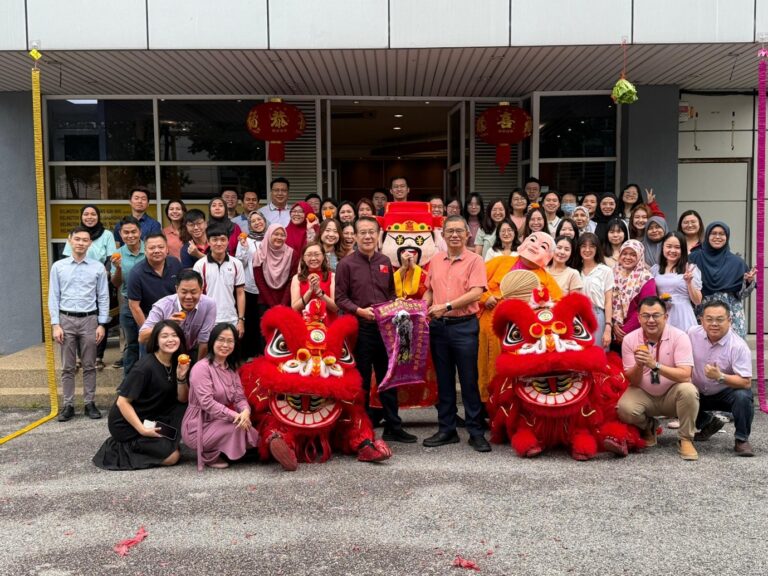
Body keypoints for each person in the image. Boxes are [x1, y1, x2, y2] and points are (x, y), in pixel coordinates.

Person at [335, 216, 417, 443]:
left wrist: (395, 309)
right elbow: (340, 298)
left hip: (385, 329)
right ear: (355, 236)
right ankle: (360, 427)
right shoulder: (346, 264)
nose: (368, 236)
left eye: (372, 232)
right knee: (360, 379)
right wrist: (360, 311)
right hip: (360, 329)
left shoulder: (384, 262)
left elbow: (391, 293)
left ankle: (393, 425)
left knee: (387, 377)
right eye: (363, 232)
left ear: (378, 235)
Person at [423, 215, 490, 452]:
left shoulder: (475, 260)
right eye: (449, 231)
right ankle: (447, 429)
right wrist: (423, 307)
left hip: (464, 325)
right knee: (444, 379)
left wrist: (447, 306)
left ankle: (475, 431)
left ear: (467, 234)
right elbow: (430, 291)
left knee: (469, 379)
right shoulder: (435, 260)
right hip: (439, 327)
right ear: (442, 233)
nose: (454, 235)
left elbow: (477, 293)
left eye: (459, 231)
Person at [478, 231, 562, 406]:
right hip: (491, 326)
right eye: (532, 240)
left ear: (549, 256)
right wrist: (486, 297)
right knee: (487, 367)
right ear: (523, 242)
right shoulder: (500, 262)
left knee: (516, 371)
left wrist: (541, 305)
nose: (535, 245)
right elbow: (474, 283)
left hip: (522, 334)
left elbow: (558, 304)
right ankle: (485, 406)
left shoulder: (545, 277)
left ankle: (513, 408)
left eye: (543, 246)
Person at [92, 321, 190, 470]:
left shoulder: (177, 363)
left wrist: (181, 377)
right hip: (127, 424)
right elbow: (122, 402)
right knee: (173, 457)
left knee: (180, 413)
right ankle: (117, 449)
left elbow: (182, 399)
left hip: (151, 417)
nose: (170, 339)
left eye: (174, 335)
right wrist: (142, 430)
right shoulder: (144, 367)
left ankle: (157, 442)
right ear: (156, 340)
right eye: (164, 336)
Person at [616, 296, 700, 460]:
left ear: (665, 317)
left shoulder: (680, 336)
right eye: (646, 316)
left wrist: (655, 365)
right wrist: (639, 365)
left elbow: (685, 374)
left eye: (656, 315)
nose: (651, 320)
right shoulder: (629, 339)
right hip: (644, 393)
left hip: (672, 394)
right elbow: (632, 381)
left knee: (689, 390)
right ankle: (649, 427)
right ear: (639, 318)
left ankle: (686, 439)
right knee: (623, 409)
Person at [50, 226, 110, 421]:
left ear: (90, 243)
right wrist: (55, 324)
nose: (81, 243)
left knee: (90, 364)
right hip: (66, 318)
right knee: (67, 366)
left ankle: (89, 403)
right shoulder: (58, 266)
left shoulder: (97, 267)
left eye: (85, 240)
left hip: (89, 320)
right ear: (69, 240)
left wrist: (102, 323)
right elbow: (53, 296)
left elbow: (103, 296)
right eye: (77, 239)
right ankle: (68, 405)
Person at [182, 323, 258, 469]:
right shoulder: (201, 368)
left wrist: (245, 412)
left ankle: (264, 449)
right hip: (197, 426)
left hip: (220, 420)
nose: (225, 344)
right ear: (212, 342)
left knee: (247, 427)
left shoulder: (231, 370)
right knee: (238, 429)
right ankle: (210, 455)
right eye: (221, 340)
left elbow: (240, 398)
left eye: (230, 341)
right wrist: (235, 416)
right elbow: (207, 403)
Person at [688, 300, 754, 457]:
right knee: (677, 390)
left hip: (725, 392)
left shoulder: (738, 346)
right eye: (709, 319)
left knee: (743, 396)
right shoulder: (692, 333)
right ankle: (706, 421)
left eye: (720, 319)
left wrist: (720, 377)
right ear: (701, 320)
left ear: (729, 321)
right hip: (697, 391)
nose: (714, 324)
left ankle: (741, 439)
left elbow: (746, 382)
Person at [62, 205, 116, 371]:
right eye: (86, 214)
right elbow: (67, 257)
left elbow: (110, 258)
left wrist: (105, 273)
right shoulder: (75, 233)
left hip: (99, 280)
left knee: (101, 319)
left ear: (98, 217)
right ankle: (80, 357)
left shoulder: (107, 234)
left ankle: (98, 356)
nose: (90, 217)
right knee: (79, 319)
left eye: (93, 214)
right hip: (78, 283)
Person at [689, 222, 757, 338]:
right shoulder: (695, 257)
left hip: (731, 313)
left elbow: (742, 295)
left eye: (722, 234)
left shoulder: (737, 262)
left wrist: (748, 282)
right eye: (713, 233)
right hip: (703, 312)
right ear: (707, 236)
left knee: (732, 350)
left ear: (727, 237)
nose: (717, 237)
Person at [140, 269, 217, 362]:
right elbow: (142, 337)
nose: (188, 297)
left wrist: (198, 368)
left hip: (193, 351)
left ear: (201, 290)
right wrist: (167, 324)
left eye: (193, 292)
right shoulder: (162, 306)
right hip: (165, 353)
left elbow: (204, 341)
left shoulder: (209, 304)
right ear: (177, 289)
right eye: (184, 292)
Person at [127, 233, 183, 346]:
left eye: (161, 247)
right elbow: (134, 306)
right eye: (152, 248)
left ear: (167, 249)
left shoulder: (175, 263)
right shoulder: (136, 273)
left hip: (175, 319)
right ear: (145, 250)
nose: (157, 250)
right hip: (151, 319)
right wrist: (147, 329)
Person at [193, 225, 246, 337]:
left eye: (223, 239)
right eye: (215, 240)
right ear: (208, 241)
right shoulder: (200, 265)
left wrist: (240, 320)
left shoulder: (237, 264)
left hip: (231, 319)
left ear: (228, 241)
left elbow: (240, 293)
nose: (219, 243)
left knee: (231, 352)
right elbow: (196, 295)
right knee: (208, 353)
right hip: (207, 319)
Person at [111, 216, 145, 378]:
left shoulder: (150, 249)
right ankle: (129, 382)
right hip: (128, 304)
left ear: (140, 232)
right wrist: (117, 269)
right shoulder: (117, 254)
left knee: (149, 343)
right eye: (126, 232)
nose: (130, 235)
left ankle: (149, 379)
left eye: (134, 232)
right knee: (131, 344)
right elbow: (116, 283)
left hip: (150, 303)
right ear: (120, 233)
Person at [651, 232, 702, 332]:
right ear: (663, 248)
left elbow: (697, 301)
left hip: (683, 315)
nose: (672, 250)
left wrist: (689, 283)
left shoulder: (691, 269)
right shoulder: (655, 269)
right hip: (661, 314)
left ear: (682, 250)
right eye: (669, 246)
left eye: (677, 247)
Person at [235, 210, 268, 360]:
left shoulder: (271, 237)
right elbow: (239, 263)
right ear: (249, 225)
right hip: (250, 287)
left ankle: (264, 353)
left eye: (259, 219)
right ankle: (249, 355)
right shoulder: (245, 240)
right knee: (251, 322)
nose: (257, 223)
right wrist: (244, 248)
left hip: (268, 287)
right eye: (253, 221)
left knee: (264, 322)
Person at [611, 240, 657, 346]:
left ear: (640, 256)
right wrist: (613, 325)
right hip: (611, 332)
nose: (628, 257)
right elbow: (606, 302)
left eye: (633, 254)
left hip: (636, 333)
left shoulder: (646, 278)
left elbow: (646, 308)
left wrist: (624, 331)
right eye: (624, 253)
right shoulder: (612, 273)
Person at [577, 233, 613, 349]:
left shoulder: (605, 270)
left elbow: (608, 301)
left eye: (592, 246)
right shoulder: (574, 271)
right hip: (577, 318)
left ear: (597, 249)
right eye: (583, 246)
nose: (587, 250)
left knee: (597, 354)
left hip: (597, 315)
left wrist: (608, 326)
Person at [253, 224, 297, 314]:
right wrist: (273, 306)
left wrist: (283, 304)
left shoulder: (292, 254)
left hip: (287, 301)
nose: (279, 237)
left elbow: (292, 280)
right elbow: (260, 282)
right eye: (276, 234)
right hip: (265, 302)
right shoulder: (259, 254)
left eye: (282, 235)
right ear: (269, 235)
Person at [290, 242, 338, 322]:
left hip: (328, 324)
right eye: (309, 255)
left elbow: (335, 308)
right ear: (303, 258)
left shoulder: (332, 276)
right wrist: (309, 291)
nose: (313, 258)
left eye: (317, 254)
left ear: (323, 256)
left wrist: (319, 292)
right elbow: (295, 308)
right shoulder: (297, 278)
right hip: (304, 325)